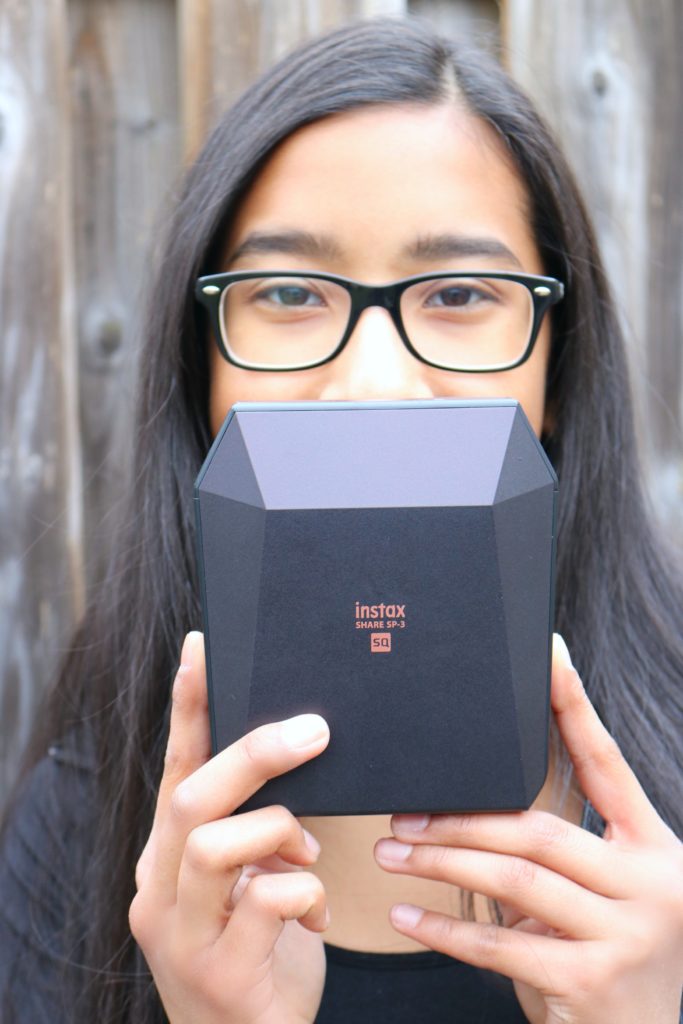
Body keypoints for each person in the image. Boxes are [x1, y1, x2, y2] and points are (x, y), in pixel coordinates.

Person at [1, 16, 682, 1024]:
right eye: (285, 290)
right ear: (203, 364)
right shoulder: (88, 822)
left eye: (455, 291)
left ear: (554, 359)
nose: (372, 379)